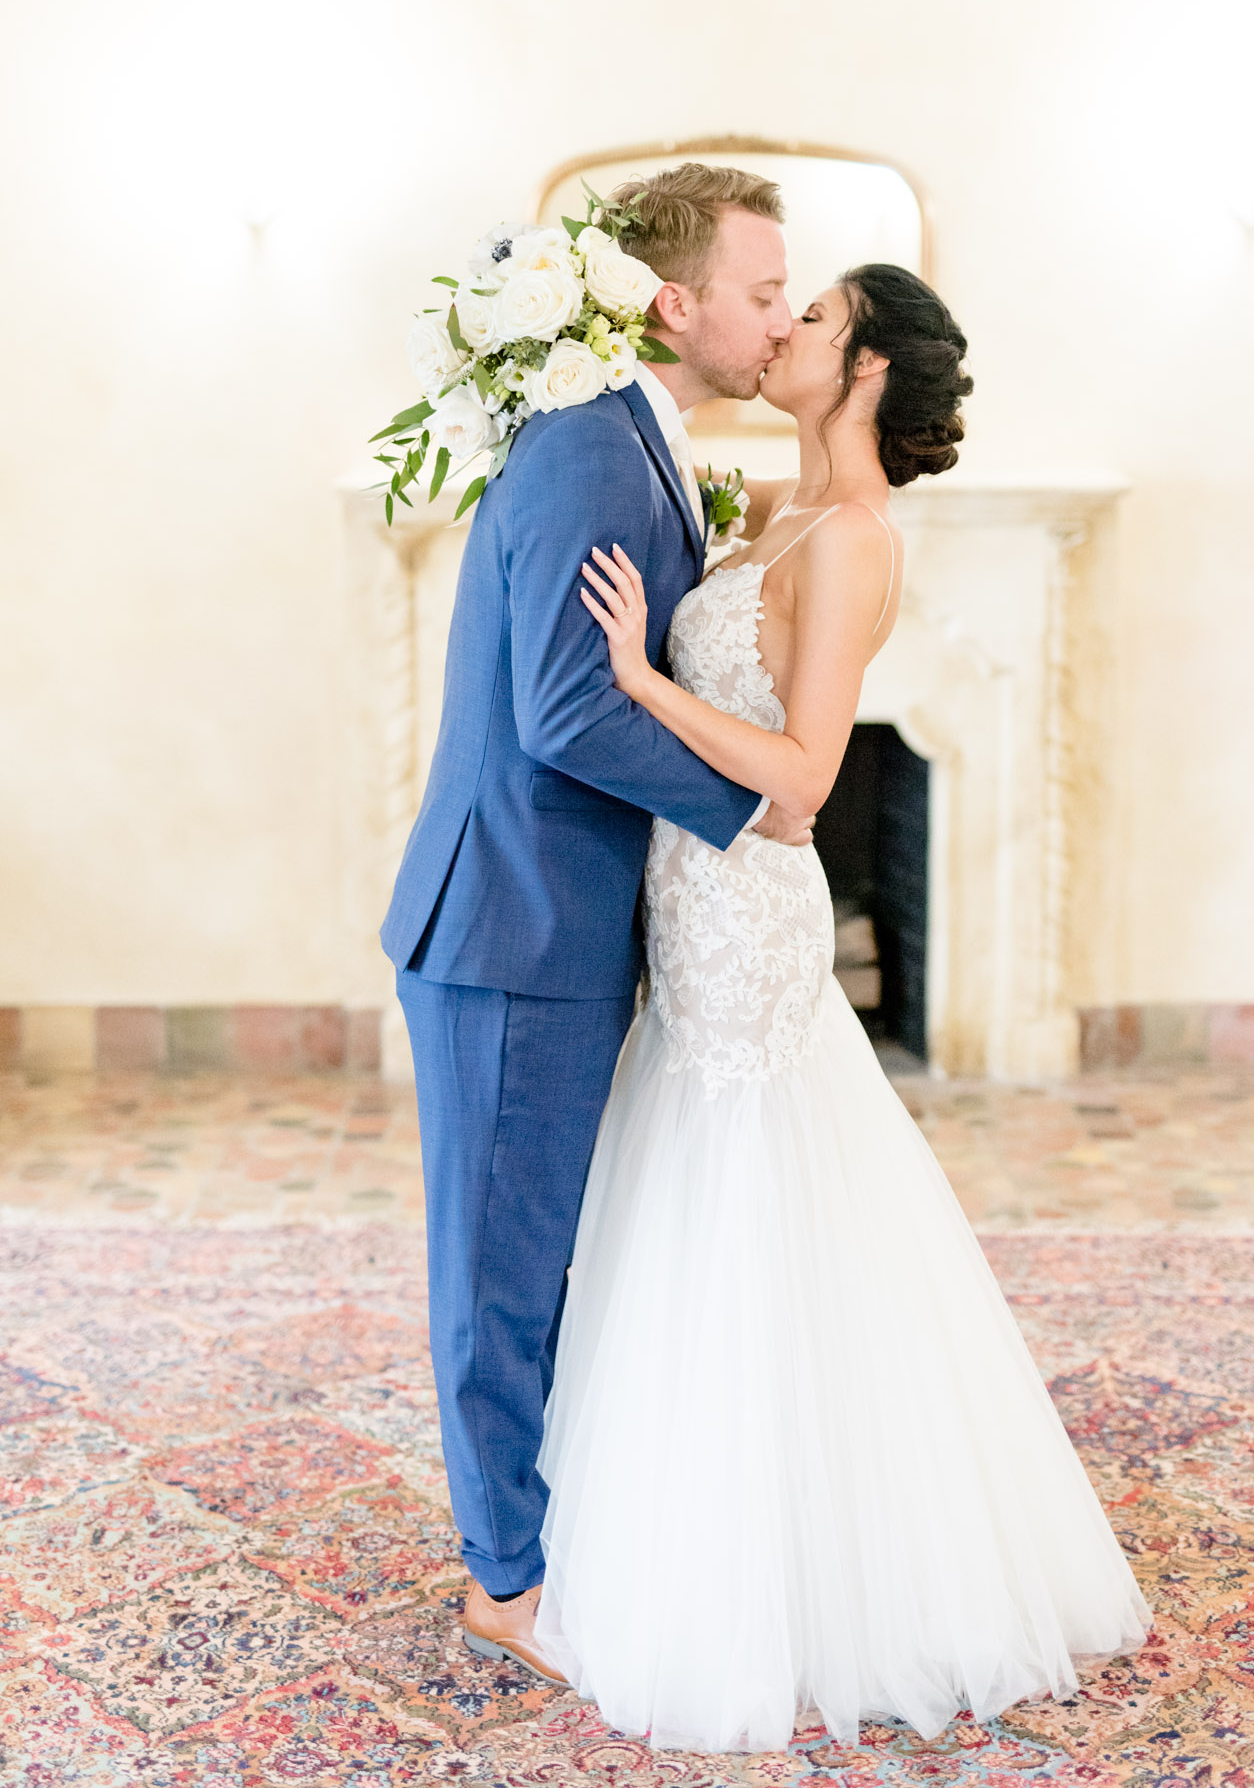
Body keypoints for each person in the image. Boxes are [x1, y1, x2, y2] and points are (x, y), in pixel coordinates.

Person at [534, 261, 1154, 1752]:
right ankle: (681, 1518)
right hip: (685, 903)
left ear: (867, 366)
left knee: (753, 1188)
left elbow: (806, 781)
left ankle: (793, 1570)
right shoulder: (771, 507)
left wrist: (633, 677)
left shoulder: (861, 541)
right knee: (681, 1181)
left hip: (751, 911)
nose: (786, 329)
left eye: (811, 317)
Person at [380, 164, 816, 1681]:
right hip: (511, 924)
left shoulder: (638, 435)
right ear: (675, 301)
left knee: (550, 1258)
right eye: (765, 291)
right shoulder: (584, 447)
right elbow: (569, 708)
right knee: (500, 1271)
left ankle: (542, 1531)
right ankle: (504, 1582)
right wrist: (756, 807)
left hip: (560, 925)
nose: (781, 317)